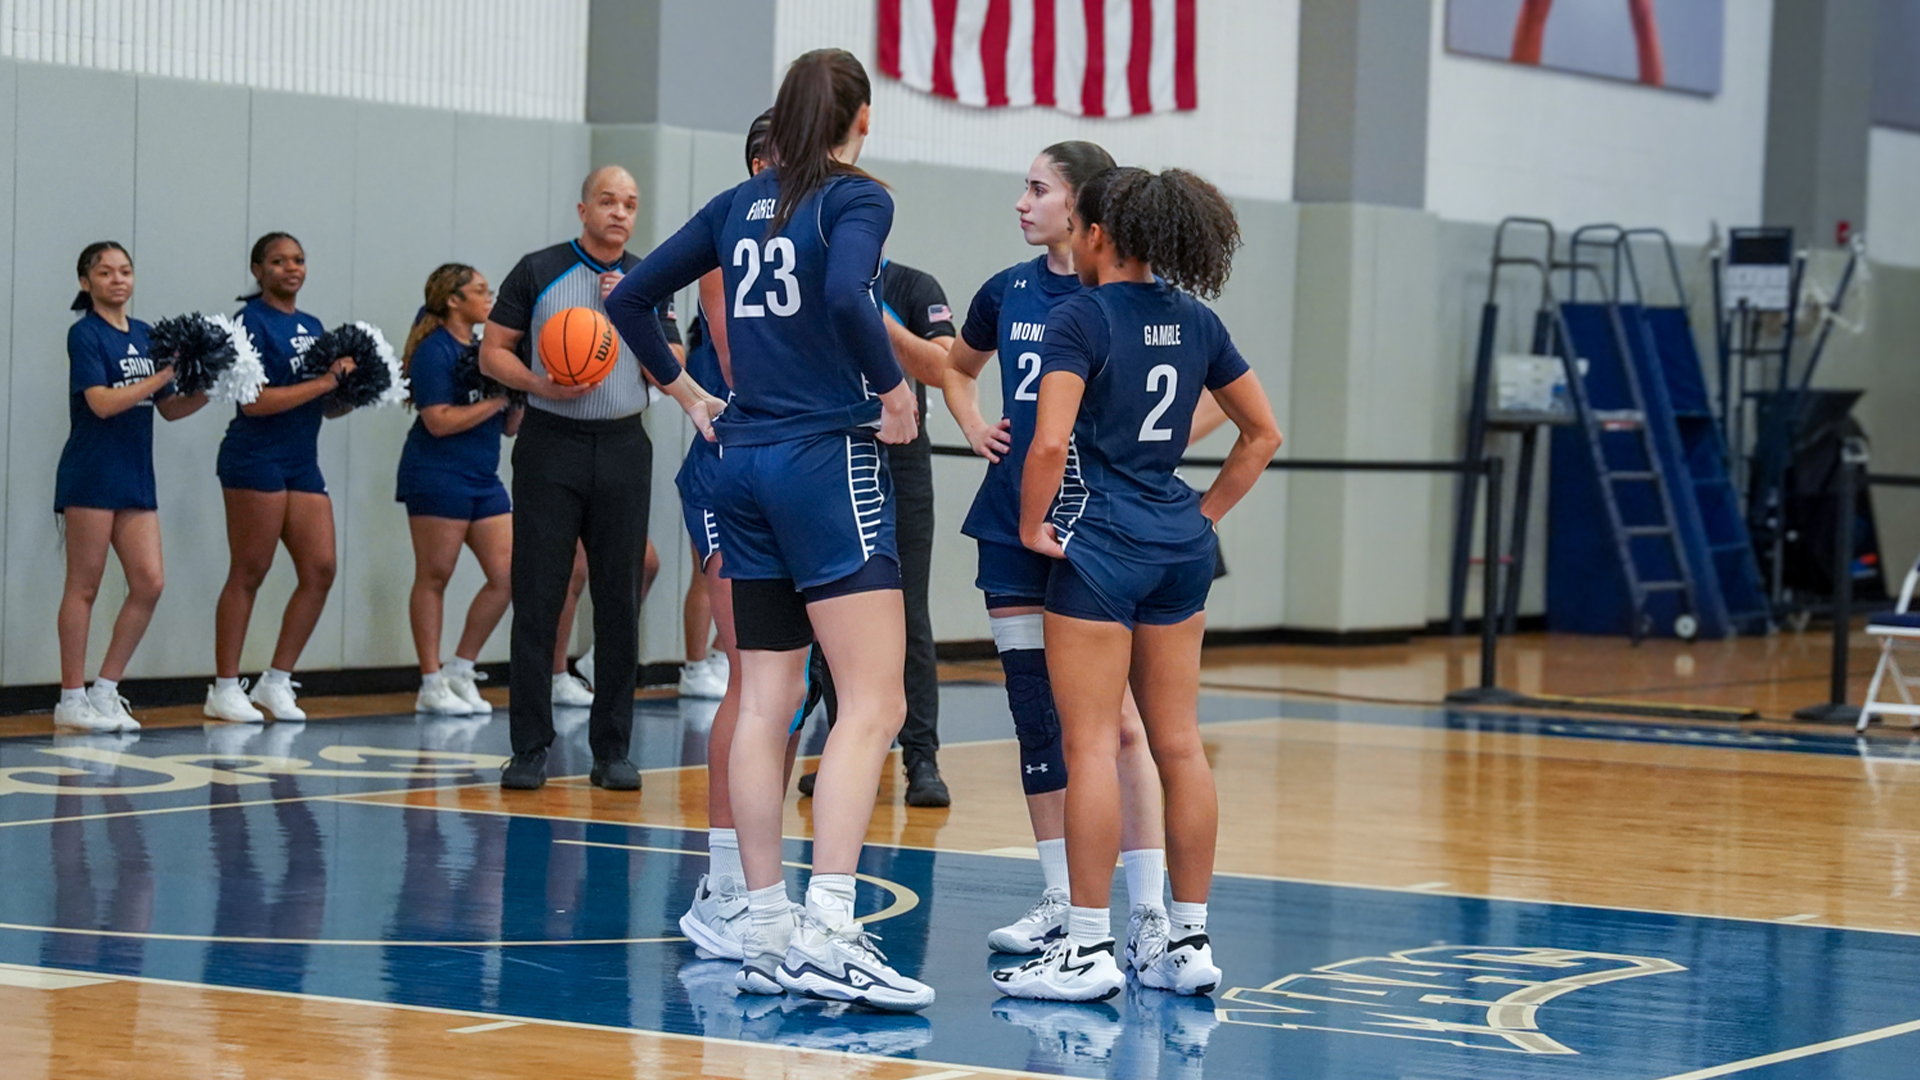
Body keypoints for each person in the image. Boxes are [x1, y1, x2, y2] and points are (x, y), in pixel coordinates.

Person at [607, 49, 932, 1011]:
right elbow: (844, 294)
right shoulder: (856, 197)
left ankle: (762, 926)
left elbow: (626, 297)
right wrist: (895, 391)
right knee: (874, 701)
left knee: (763, 701)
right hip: (823, 459)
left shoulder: (736, 205)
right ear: (860, 118)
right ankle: (829, 931)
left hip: (740, 462)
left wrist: (688, 394)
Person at [992, 167, 1281, 1003]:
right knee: (1178, 744)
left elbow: (1049, 444)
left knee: (1087, 746)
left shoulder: (1079, 316)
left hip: (1102, 548)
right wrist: (1204, 517)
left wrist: (1032, 524)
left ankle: (1085, 949)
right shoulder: (1198, 319)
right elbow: (1262, 433)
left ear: (1098, 235)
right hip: (1177, 548)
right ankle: (1186, 943)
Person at [942, 143, 1173, 960]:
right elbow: (957, 368)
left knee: (1120, 726)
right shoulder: (1007, 291)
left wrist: (1145, 465)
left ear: (1081, 207)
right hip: (1013, 524)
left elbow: (1217, 400)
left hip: (1093, 532)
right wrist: (974, 423)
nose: (1022, 202)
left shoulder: (1132, 299)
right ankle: (1058, 897)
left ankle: (1149, 911)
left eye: (1038, 189)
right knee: (1034, 715)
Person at [481, 166, 721, 792]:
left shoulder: (648, 280)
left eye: (631, 204)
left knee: (619, 601)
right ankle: (529, 748)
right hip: (549, 442)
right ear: (583, 208)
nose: (620, 212)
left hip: (621, 445)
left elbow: (671, 368)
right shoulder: (538, 269)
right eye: (608, 201)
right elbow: (493, 351)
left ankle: (612, 750)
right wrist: (539, 384)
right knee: (538, 595)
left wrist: (628, 311)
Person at [673, 110, 817, 965]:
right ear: (766, 160)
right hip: (734, 464)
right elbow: (744, 360)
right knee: (750, 680)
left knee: (788, 689)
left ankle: (760, 873)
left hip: (791, 465)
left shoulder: (816, 231)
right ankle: (722, 882)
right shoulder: (730, 233)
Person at [793, 256, 954, 807]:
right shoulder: (814, 280)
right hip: (836, 456)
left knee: (910, 613)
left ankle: (922, 759)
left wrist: (877, 319)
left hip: (902, 463)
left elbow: (943, 367)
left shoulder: (913, 286)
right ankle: (851, 752)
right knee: (839, 613)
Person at [53, 242, 209, 731]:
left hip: (136, 473)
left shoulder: (146, 334)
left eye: (125, 271)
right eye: (105, 272)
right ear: (86, 282)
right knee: (84, 585)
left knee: (149, 582)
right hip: (92, 472)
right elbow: (101, 403)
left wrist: (213, 387)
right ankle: (71, 698)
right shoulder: (85, 334)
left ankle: (105, 690)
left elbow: (169, 407)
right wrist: (163, 375)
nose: (118, 279)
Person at [205, 233, 353, 724]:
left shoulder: (313, 326)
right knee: (250, 570)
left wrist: (351, 390)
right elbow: (254, 402)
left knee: (321, 568)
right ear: (258, 269)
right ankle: (225, 687)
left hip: (301, 460)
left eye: (299, 260)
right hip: (255, 458)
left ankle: (276, 681)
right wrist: (325, 381)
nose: (292, 268)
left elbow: (323, 404)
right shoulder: (249, 322)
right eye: (278, 261)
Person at [395, 263, 517, 716]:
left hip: (483, 476)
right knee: (435, 575)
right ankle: (430, 681)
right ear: (453, 300)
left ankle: (461, 668)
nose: (490, 298)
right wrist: (498, 400)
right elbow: (438, 420)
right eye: (480, 291)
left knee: (508, 575)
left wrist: (522, 391)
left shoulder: (488, 350)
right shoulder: (434, 350)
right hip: (437, 473)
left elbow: (509, 427)